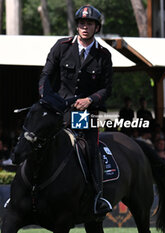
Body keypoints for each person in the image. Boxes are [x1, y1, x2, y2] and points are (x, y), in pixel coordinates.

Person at [38, 5, 112, 215]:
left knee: (89, 147)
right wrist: (46, 98)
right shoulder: (61, 47)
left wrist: (90, 99)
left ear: (96, 27)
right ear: (77, 26)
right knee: (34, 138)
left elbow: (107, 88)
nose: (84, 27)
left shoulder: (103, 55)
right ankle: (21, 193)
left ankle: (98, 196)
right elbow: (45, 76)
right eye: (81, 23)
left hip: (84, 114)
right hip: (58, 109)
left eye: (89, 24)